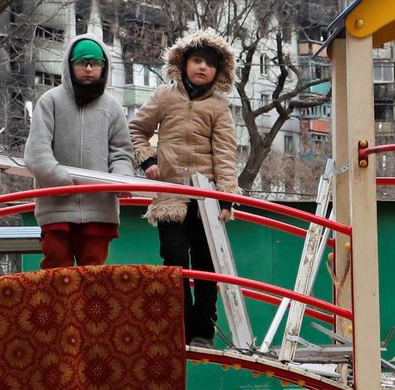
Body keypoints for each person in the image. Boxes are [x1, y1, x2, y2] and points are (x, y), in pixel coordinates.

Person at [129, 29, 239, 345]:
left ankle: (203, 329)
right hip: (170, 194)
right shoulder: (165, 96)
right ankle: (180, 324)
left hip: (206, 197)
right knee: (174, 257)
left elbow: (225, 153)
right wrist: (148, 159)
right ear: (184, 62)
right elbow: (137, 129)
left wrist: (226, 196)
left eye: (209, 64)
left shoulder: (219, 107)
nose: (202, 67)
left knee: (206, 263)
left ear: (219, 72)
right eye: (197, 60)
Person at [24, 35, 135, 268]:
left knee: (93, 271)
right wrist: (60, 181)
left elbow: (122, 153)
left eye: (95, 63)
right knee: (56, 264)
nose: (88, 69)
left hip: (99, 207)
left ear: (104, 67)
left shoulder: (113, 108)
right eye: (81, 63)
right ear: (69, 65)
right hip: (56, 205)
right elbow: (37, 151)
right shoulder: (50, 101)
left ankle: (92, 307)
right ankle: (57, 307)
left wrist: (122, 180)